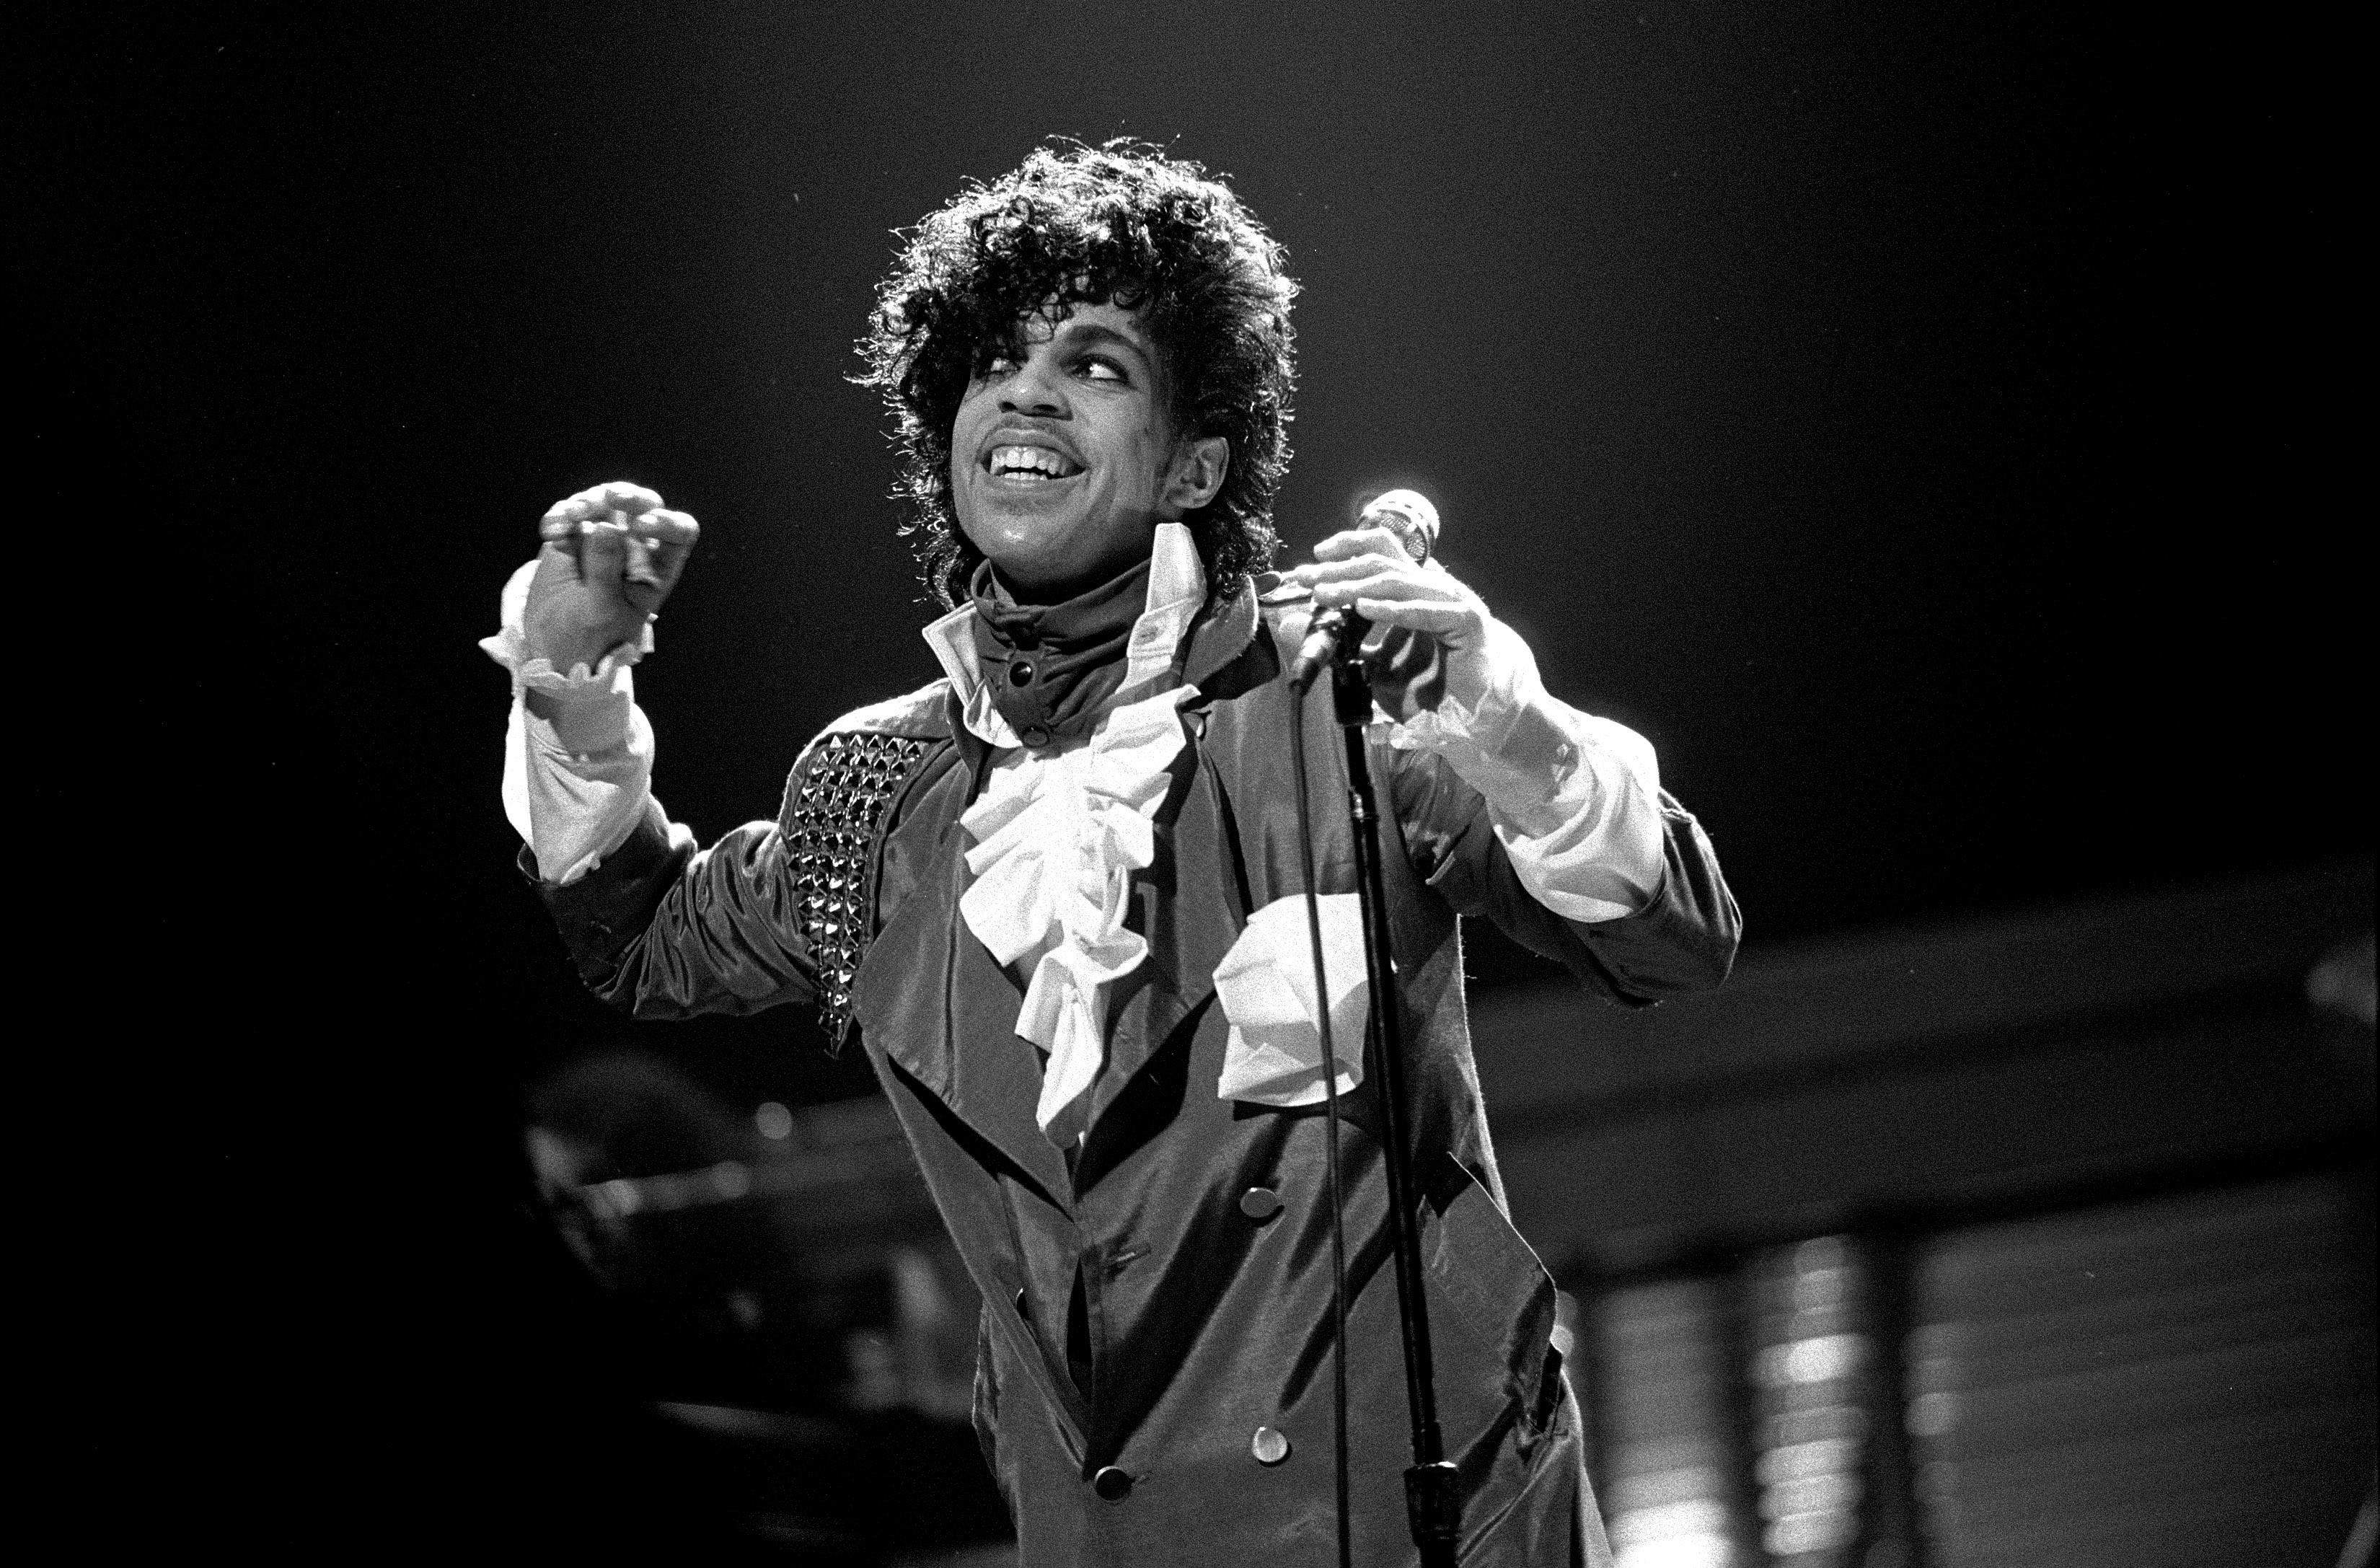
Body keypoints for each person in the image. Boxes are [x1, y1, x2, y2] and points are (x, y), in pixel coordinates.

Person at [484, 140, 1739, 1567]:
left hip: (1416, 1521)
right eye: (993, 361)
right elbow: (640, 939)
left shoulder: (1342, 701)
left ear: (1196, 456)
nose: (1023, 389)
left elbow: (1674, 934)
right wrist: (570, 676)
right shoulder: (880, 792)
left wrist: (1506, 724)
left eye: (1096, 364)